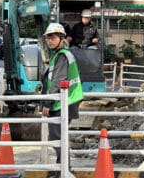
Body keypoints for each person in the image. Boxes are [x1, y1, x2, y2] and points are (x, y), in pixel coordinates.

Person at [41, 23, 83, 177]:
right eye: (48, 38)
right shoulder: (59, 55)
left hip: (63, 103)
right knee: (59, 137)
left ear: (61, 38)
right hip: (65, 102)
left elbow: (59, 80)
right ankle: (62, 169)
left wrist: (48, 102)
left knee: (56, 137)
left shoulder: (62, 56)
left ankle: (64, 170)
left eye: (52, 38)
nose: (49, 41)